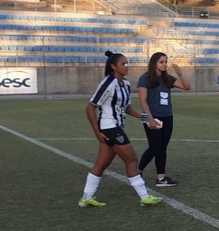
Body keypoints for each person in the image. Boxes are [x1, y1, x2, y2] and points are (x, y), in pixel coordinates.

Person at [77, 51, 161, 208]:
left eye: (127, 63)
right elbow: (90, 108)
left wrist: (146, 118)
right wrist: (98, 133)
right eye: (123, 64)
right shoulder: (108, 83)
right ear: (114, 66)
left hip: (116, 127)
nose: (126, 66)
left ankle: (86, 198)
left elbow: (127, 107)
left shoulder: (126, 84)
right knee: (131, 159)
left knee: (102, 164)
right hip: (109, 127)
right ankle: (144, 197)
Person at [137, 52, 191, 187]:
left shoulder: (168, 78)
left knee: (162, 147)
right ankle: (137, 172)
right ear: (154, 63)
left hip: (167, 116)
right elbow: (142, 100)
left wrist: (180, 73)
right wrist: (149, 118)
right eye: (161, 62)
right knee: (155, 146)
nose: (164, 64)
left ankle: (161, 178)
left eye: (165, 62)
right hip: (151, 116)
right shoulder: (145, 78)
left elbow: (187, 87)